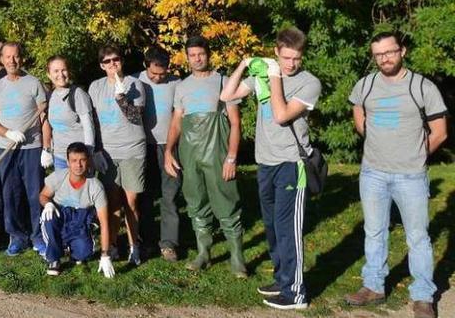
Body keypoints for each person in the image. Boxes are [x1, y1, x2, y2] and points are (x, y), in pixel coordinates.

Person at [344, 32, 447, 318]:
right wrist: (376, 141)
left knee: (418, 237)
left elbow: (440, 132)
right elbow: (358, 113)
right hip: (372, 173)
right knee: (374, 232)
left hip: (411, 176)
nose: (384, 58)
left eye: (389, 52)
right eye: (378, 54)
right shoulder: (365, 84)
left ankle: (423, 296)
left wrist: (414, 154)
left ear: (402, 51)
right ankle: (374, 286)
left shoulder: (421, 86)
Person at [221, 28, 322, 310]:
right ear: (276, 52)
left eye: (297, 58)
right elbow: (226, 95)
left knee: (288, 229)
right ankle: (282, 280)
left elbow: (280, 115)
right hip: (265, 163)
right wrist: (244, 65)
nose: (292, 64)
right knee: (273, 228)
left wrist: (274, 76)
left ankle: (297, 293)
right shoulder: (262, 76)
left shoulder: (309, 83)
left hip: (292, 164)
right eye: (286, 58)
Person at [165, 35, 246, 277]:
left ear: (208, 54)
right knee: (196, 203)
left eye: (201, 54)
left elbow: (235, 122)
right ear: (187, 58)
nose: (197, 59)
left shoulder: (223, 82)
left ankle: (237, 258)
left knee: (227, 202)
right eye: (192, 55)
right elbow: (177, 122)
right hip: (189, 154)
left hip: (217, 152)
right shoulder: (182, 86)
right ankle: (203, 254)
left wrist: (231, 157)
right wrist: (168, 151)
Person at [0, 42, 48, 256]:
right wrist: (7, 132)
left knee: (34, 193)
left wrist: (46, 148)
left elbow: (44, 117)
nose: (12, 61)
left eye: (16, 56)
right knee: (10, 194)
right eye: (8, 56)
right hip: (7, 148)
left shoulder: (34, 83)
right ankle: (16, 236)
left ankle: (38, 236)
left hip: (32, 147)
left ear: (22, 58)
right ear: (1, 59)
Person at [88, 44, 147, 266]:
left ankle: (134, 247)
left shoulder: (136, 84)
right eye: (108, 61)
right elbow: (92, 120)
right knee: (111, 203)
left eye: (116, 60)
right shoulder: (95, 87)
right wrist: (95, 150)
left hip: (132, 150)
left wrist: (121, 97)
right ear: (102, 66)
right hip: (108, 153)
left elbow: (134, 116)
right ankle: (111, 245)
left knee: (131, 203)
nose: (113, 64)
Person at [39, 142, 115, 278]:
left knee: (84, 253)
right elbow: (43, 195)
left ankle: (72, 248)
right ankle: (54, 259)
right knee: (48, 217)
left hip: (80, 219)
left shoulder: (96, 187)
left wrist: (105, 255)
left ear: (88, 161)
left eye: (82, 160)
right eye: (74, 161)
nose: (78, 165)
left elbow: (104, 223)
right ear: (68, 162)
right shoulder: (58, 177)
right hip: (60, 215)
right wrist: (48, 204)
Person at [135, 46, 181, 262]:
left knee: (169, 195)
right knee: (145, 196)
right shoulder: (135, 81)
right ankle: (147, 241)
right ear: (146, 66)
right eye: (154, 73)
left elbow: (178, 115)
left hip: (168, 145)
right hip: (143, 146)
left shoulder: (176, 84)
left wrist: (171, 148)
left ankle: (169, 243)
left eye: (162, 73)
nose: (158, 77)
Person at [41, 56, 95, 172]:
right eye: (56, 71)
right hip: (60, 157)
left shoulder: (78, 94)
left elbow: (89, 127)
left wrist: (89, 154)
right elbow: (51, 127)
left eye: (63, 70)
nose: (61, 74)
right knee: (62, 190)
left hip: (78, 159)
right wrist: (48, 150)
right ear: (49, 74)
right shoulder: (51, 96)